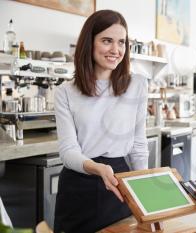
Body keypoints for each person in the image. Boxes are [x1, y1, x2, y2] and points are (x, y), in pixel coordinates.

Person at [54, 10, 149, 233]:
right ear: (90, 42)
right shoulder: (65, 92)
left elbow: (138, 145)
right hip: (78, 185)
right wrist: (97, 168)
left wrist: (145, 197)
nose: (116, 50)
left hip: (118, 183)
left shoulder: (137, 85)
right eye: (107, 41)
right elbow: (68, 150)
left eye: (121, 42)